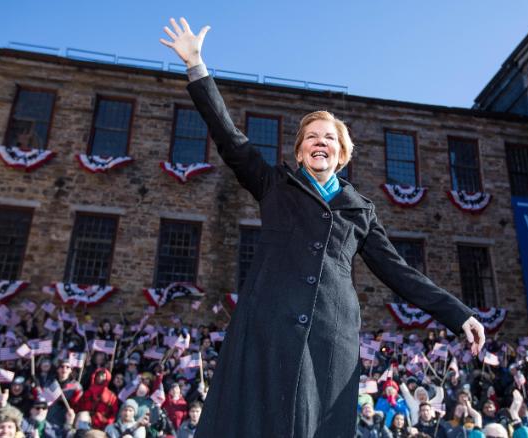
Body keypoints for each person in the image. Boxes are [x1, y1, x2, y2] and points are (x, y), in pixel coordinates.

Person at [158, 16, 486, 438]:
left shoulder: (359, 209)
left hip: (330, 340)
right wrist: (197, 68)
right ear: (299, 151)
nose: (320, 142)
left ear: (342, 153)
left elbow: (400, 273)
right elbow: (230, 138)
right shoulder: (274, 185)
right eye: (311, 136)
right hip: (269, 330)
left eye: (329, 137)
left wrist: (459, 315)